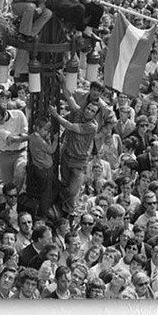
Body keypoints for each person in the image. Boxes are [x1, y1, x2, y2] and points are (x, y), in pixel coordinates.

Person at [50, 85, 100, 217]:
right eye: (88, 108)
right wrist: (63, 82)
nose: (89, 111)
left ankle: (66, 207)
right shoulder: (79, 112)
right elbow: (69, 97)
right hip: (67, 156)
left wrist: (55, 114)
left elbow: (70, 126)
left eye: (92, 111)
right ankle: (66, 211)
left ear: (95, 114)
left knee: (72, 191)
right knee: (65, 183)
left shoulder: (92, 126)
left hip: (79, 162)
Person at [0, 101, 28, 191]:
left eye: (0, 120)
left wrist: (22, 137)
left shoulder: (19, 114)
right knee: (8, 184)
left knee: (20, 172)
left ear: (5, 113)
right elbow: (12, 139)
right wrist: (21, 136)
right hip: (5, 155)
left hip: (21, 152)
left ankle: (16, 196)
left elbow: (26, 133)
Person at [27, 116, 58, 218]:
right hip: (45, 169)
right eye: (44, 130)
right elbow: (51, 150)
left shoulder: (32, 136)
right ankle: (43, 214)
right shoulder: (39, 141)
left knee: (53, 187)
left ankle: (45, 208)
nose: (46, 132)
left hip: (39, 167)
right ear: (37, 128)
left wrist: (48, 139)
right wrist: (56, 140)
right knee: (46, 193)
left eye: (47, 130)